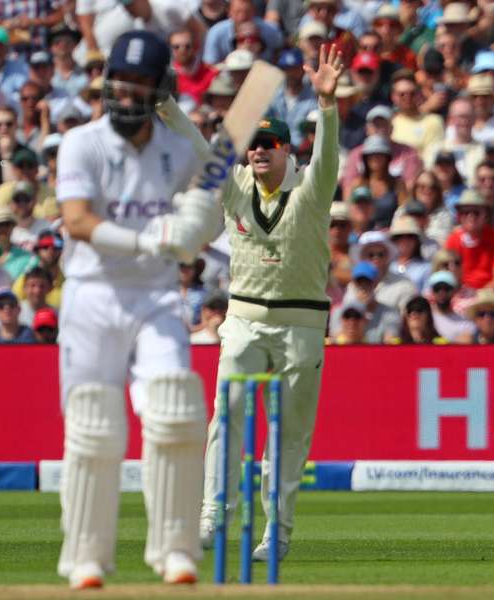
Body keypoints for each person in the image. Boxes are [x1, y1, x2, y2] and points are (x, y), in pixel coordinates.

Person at [54, 31, 218, 588]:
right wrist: (145, 240)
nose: (126, 94)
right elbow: (76, 221)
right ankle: (86, 558)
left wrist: (193, 225)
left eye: (139, 84)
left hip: (154, 298)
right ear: (106, 84)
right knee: (93, 424)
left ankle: (176, 550)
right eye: (119, 83)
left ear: (157, 88)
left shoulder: (178, 149)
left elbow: (210, 203)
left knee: (175, 404)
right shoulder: (82, 143)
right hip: (92, 293)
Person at [199, 46, 344, 562]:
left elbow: (328, 157)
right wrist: (170, 110)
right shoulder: (234, 185)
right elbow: (205, 153)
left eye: (271, 144)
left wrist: (327, 107)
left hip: (301, 327)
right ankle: (215, 511)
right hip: (242, 322)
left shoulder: (311, 188)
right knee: (227, 417)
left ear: (287, 151)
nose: (260, 151)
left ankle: (275, 535)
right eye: (254, 144)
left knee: (289, 437)